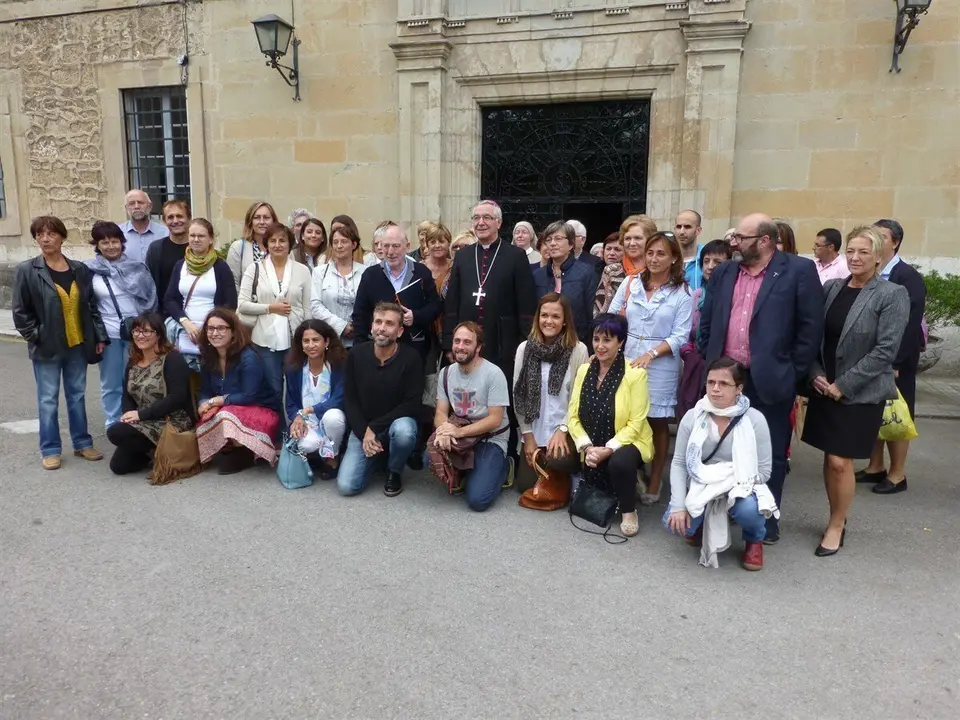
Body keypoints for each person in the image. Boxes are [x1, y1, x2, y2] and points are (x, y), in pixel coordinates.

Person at [698, 212, 824, 543]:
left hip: (771, 378)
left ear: (764, 240)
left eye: (741, 238)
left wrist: (792, 371)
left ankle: (766, 522)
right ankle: (724, 510)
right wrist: (710, 359)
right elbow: (708, 318)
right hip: (727, 376)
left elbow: (810, 329)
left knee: (770, 452)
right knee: (719, 446)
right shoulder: (725, 272)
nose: (734, 242)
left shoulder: (798, 270)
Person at [803, 226, 909, 556]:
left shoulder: (892, 294)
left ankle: (837, 524)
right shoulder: (832, 288)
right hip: (824, 386)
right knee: (830, 457)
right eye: (850, 251)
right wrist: (816, 374)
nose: (855, 257)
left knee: (840, 461)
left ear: (878, 257)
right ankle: (835, 514)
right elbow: (813, 337)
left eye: (864, 252)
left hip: (859, 391)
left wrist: (844, 385)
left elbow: (885, 350)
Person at [443, 200, 537, 476]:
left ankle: (504, 453)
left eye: (487, 217)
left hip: (502, 341)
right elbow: (452, 302)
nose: (481, 222)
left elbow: (526, 302)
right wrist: (449, 342)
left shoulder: (515, 256)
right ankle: (466, 450)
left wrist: (523, 343)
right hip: (466, 342)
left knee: (502, 396)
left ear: (499, 223)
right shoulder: (463, 256)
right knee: (468, 397)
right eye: (476, 217)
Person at [12, 215, 108, 469]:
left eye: (51, 234)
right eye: (40, 234)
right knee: (48, 399)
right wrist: (36, 335)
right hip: (46, 347)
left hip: (77, 345)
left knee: (76, 396)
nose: (45, 239)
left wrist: (98, 335)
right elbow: (20, 312)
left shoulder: (79, 269)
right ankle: (50, 448)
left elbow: (91, 306)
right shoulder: (27, 270)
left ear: (62, 237)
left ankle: (82, 443)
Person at [664, 357, 776, 570]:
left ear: (739, 389)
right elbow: (679, 463)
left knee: (748, 510)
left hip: (740, 486)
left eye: (723, 383)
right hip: (700, 484)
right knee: (674, 525)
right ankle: (699, 524)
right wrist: (678, 506)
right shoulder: (692, 416)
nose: (715, 389)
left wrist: (723, 484)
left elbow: (764, 472)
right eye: (711, 382)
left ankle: (754, 539)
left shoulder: (755, 420)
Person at [609, 231, 693, 504]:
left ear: (674, 258)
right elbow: (612, 316)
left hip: (661, 363)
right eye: (650, 253)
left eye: (661, 254)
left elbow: (681, 335)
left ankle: (656, 477)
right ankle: (631, 471)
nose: (654, 259)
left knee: (656, 421)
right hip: (627, 357)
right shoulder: (631, 283)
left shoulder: (682, 292)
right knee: (625, 415)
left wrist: (652, 353)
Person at [857, 218, 927, 496]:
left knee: (898, 415)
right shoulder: (872, 272)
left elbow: (910, 324)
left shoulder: (907, 277)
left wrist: (895, 361)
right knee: (876, 412)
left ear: (895, 243)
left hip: (897, 360)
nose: (874, 240)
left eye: (881, 237)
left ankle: (898, 473)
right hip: (871, 356)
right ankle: (875, 466)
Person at [568, 314, 654, 537]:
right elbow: (573, 416)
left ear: (621, 342)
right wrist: (587, 447)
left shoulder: (635, 374)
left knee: (620, 461)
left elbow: (636, 423)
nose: (600, 346)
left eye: (607, 340)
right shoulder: (584, 370)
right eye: (596, 339)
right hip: (592, 441)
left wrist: (607, 449)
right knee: (559, 455)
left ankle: (628, 510)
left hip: (628, 440)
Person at [339, 303, 423, 497]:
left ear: (400, 331)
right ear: (371, 327)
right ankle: (378, 457)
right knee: (347, 487)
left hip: (395, 424)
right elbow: (350, 399)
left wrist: (374, 428)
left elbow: (411, 403)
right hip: (364, 427)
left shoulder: (411, 358)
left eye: (389, 323)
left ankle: (394, 470)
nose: (382, 328)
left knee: (404, 432)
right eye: (378, 322)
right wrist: (364, 432)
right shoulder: (355, 355)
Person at [431, 322, 512, 510]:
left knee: (477, 500)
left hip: (490, 437)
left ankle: (505, 466)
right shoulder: (446, 373)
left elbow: (495, 419)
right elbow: (441, 412)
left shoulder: (493, 374)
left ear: (478, 347)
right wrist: (443, 432)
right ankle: (469, 469)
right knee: (431, 455)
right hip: (462, 434)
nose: (460, 346)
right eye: (457, 341)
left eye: (467, 342)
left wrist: (458, 433)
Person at [86, 221, 157, 428]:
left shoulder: (138, 268)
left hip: (139, 333)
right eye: (104, 242)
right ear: (97, 245)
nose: (110, 246)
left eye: (114, 241)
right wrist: (96, 336)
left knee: (141, 379)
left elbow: (151, 299)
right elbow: (88, 306)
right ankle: (114, 423)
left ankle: (139, 419)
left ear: (122, 242)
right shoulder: (90, 271)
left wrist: (150, 330)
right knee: (111, 383)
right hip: (108, 334)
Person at [106, 312, 195, 475]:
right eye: (136, 331)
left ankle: (162, 449)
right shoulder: (133, 361)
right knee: (118, 467)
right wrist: (128, 415)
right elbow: (127, 394)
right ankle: (153, 452)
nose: (140, 335)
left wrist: (140, 415)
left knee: (115, 432)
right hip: (144, 420)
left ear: (159, 334)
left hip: (171, 419)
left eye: (146, 331)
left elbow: (177, 397)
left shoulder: (172, 359)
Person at [195, 309, 281, 473]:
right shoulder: (208, 357)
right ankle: (231, 445)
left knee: (225, 415)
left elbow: (249, 396)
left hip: (261, 409)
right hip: (230, 408)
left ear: (233, 332)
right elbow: (204, 390)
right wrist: (202, 403)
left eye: (221, 328)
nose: (215, 333)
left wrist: (215, 401)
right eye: (210, 328)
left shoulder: (248, 357)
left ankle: (246, 450)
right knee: (209, 416)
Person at [513, 293, 589, 475]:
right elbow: (518, 396)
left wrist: (563, 429)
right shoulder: (524, 349)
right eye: (544, 315)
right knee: (525, 485)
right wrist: (527, 436)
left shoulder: (578, 350)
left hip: (565, 429)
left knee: (558, 461)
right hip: (534, 431)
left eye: (556, 316)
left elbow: (580, 399)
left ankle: (573, 478)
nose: (549, 321)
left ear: (565, 321)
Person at [238, 223, 312, 400]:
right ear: (266, 244)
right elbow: (242, 305)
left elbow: (307, 308)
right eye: (273, 241)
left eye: (282, 240)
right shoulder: (254, 269)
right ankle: (277, 419)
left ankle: (295, 418)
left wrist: (307, 337)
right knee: (274, 388)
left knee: (296, 387)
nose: (277, 245)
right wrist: (270, 308)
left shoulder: (302, 271)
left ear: (290, 244)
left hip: (295, 339)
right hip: (264, 339)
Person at [353, 221, 441, 363]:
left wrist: (415, 316)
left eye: (395, 246)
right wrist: (360, 349)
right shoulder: (370, 275)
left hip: (415, 349)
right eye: (386, 246)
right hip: (379, 350)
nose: (390, 251)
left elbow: (435, 306)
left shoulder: (421, 272)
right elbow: (360, 314)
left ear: (407, 246)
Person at [163, 218, 237, 368]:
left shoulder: (220, 267)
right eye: (192, 235)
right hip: (185, 333)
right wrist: (186, 323)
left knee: (211, 374)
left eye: (201, 236)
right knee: (186, 377)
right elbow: (169, 299)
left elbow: (231, 303)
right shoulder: (180, 265)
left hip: (214, 334)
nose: (196, 239)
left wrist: (211, 327)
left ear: (210, 239)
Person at [676, 239, 733, 419]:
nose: (710, 267)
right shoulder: (697, 295)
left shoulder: (734, 295)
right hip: (697, 360)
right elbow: (687, 330)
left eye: (717, 262)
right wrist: (688, 353)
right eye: (706, 261)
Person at [285, 319, 347, 474]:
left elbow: (339, 399)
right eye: (306, 341)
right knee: (305, 445)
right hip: (307, 421)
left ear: (326, 342)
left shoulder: (339, 365)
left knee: (333, 417)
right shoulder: (294, 368)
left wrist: (309, 410)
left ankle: (333, 455)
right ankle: (316, 453)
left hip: (331, 419)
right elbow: (290, 403)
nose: (311, 345)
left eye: (315, 340)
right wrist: (297, 418)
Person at [533, 221, 598, 347]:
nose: (552, 243)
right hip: (544, 342)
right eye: (548, 240)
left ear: (571, 244)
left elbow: (590, 312)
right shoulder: (538, 275)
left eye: (558, 239)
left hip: (576, 340)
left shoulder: (586, 272)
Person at [310, 222, 367, 348]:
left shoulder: (365, 272)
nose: (339, 246)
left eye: (344, 242)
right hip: (328, 339)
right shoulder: (320, 272)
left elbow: (369, 305)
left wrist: (356, 326)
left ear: (354, 244)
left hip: (358, 340)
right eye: (335, 242)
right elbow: (315, 305)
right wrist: (341, 326)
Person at [594, 214, 655, 315]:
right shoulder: (612, 271)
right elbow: (600, 312)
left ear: (650, 240)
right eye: (627, 239)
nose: (632, 243)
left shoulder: (658, 269)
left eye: (638, 238)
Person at [226, 201, 279, 292]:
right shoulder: (238, 247)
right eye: (257, 218)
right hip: (248, 300)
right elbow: (233, 282)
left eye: (266, 218)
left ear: (273, 221)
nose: (262, 222)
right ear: (250, 222)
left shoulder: (282, 247)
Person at [146, 200, 191, 304]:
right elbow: (150, 284)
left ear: (189, 218)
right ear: (164, 221)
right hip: (165, 311)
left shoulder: (199, 246)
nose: (175, 221)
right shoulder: (155, 249)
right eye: (170, 217)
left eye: (179, 216)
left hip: (195, 310)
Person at [120, 189, 169, 264]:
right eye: (132, 203)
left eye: (140, 202)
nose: (136, 206)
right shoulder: (118, 233)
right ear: (126, 208)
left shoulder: (165, 233)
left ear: (150, 206)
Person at [422, 222, 454, 300]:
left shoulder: (455, 266)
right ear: (427, 245)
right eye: (432, 242)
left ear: (449, 243)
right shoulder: (420, 268)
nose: (437, 245)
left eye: (441, 242)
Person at [674, 209, 704, 291]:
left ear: (698, 231)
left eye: (687, 227)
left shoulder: (707, 258)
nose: (681, 232)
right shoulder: (667, 258)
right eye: (678, 227)